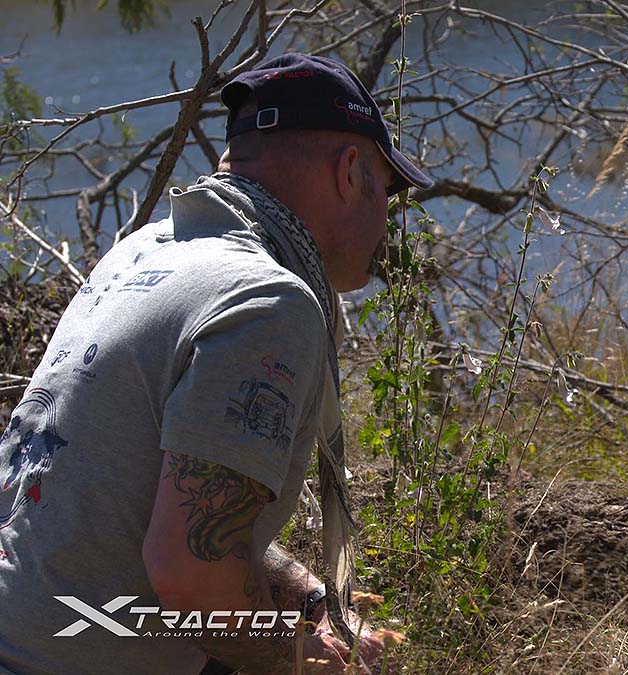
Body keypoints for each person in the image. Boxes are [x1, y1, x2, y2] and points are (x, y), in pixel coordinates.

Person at [0, 53, 433, 674]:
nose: (386, 218)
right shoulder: (267, 300)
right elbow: (191, 574)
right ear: (348, 172)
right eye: (387, 190)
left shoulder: (141, 254)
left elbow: (150, 504)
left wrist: (311, 603)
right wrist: (296, 655)